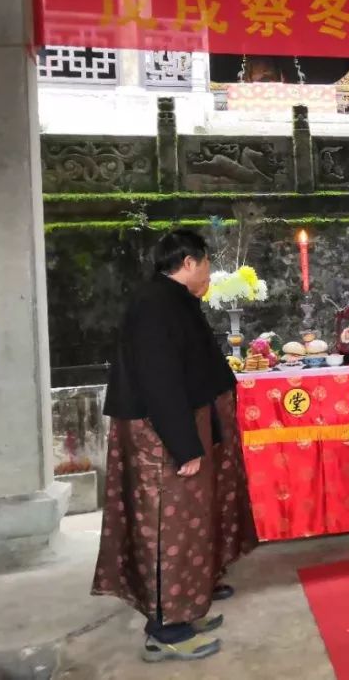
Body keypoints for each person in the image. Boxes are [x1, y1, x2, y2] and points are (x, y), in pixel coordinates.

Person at [91, 229, 258, 662]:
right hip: (160, 436)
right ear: (188, 262)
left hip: (179, 425)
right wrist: (185, 446)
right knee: (168, 529)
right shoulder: (154, 306)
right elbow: (159, 380)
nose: (208, 271)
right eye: (204, 263)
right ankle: (166, 630)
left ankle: (182, 612)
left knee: (186, 526)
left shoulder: (171, 300)